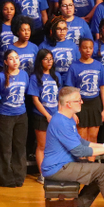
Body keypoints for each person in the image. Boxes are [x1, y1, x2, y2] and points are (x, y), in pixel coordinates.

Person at [0, 50, 29, 187]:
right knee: (5, 148)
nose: (15, 61)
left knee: (20, 146)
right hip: (5, 115)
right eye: (11, 58)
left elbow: (25, 93)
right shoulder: (1, 77)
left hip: (21, 115)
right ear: (5, 62)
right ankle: (6, 178)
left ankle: (19, 176)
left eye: (16, 58)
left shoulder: (24, 75)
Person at [65, 38, 104, 141]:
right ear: (79, 49)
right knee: (82, 138)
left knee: (93, 137)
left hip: (95, 103)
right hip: (80, 104)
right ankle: (82, 158)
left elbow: (102, 88)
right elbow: (70, 90)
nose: (88, 50)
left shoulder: (99, 66)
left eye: (90, 48)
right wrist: (72, 112)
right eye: (85, 48)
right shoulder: (74, 66)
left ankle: (91, 158)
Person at [28, 49, 60, 183]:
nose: (49, 62)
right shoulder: (35, 77)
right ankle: (42, 173)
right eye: (46, 59)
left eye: (51, 59)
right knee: (42, 145)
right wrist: (47, 114)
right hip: (41, 115)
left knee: (54, 145)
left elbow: (60, 96)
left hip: (55, 114)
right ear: (40, 61)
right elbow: (35, 100)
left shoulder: (56, 76)